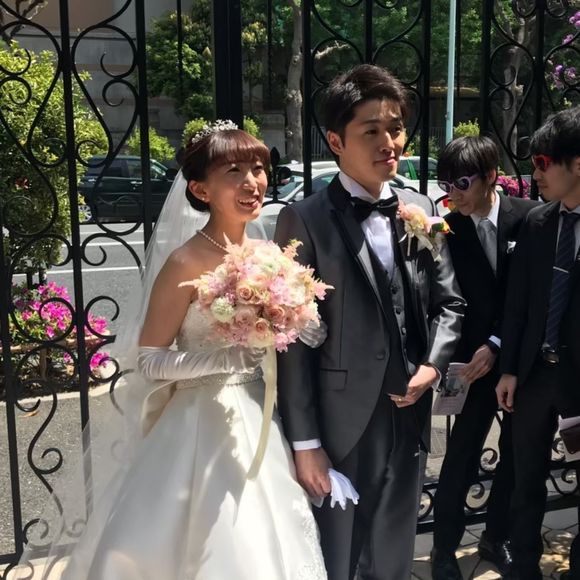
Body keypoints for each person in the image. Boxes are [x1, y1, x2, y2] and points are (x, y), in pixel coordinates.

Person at [12, 125, 327, 580]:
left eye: (258, 169)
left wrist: (298, 319)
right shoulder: (185, 261)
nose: (252, 182)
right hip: (200, 419)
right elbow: (149, 359)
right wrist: (220, 360)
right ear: (200, 189)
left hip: (260, 410)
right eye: (234, 171)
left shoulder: (268, 253)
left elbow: (295, 332)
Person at [274, 64, 466, 580]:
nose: (389, 143)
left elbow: (450, 303)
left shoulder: (421, 208)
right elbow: (290, 340)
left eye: (396, 128)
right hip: (340, 420)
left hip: (410, 411)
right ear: (336, 141)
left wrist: (433, 365)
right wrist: (305, 444)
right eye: (372, 131)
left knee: (395, 546)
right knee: (339, 552)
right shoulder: (304, 219)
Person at [431, 136, 540, 579]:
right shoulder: (446, 229)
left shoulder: (530, 218)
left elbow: (531, 295)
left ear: (491, 176)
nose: (452, 194)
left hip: (517, 358)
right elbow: (447, 298)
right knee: (460, 455)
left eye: (461, 182)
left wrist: (498, 344)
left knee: (516, 454)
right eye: (445, 184)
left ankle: (496, 538)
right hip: (472, 362)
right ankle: (443, 549)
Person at [495, 106, 580, 580]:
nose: (536, 174)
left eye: (544, 162)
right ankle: (523, 564)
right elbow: (518, 304)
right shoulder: (537, 223)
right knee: (524, 478)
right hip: (532, 376)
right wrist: (509, 368)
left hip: (578, 380)